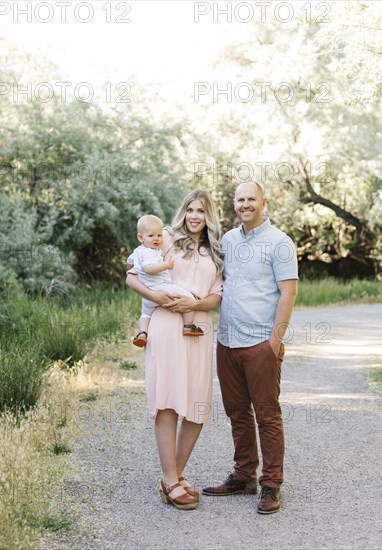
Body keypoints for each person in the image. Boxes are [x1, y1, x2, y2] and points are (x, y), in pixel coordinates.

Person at [202, 181, 298, 515]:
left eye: (251, 199)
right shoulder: (227, 239)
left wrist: (275, 340)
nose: (246, 204)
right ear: (234, 203)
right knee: (237, 413)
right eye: (240, 199)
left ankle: (271, 485)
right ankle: (244, 475)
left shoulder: (280, 242)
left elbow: (289, 292)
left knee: (267, 416)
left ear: (264, 202)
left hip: (260, 344)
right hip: (227, 342)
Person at [126, 189, 223, 510]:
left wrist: (194, 302)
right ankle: (170, 478)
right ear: (183, 211)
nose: (195, 216)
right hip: (167, 325)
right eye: (191, 209)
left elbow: (218, 296)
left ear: (210, 216)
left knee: (196, 406)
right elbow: (132, 276)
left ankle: (175, 475)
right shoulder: (165, 237)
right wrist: (158, 299)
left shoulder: (217, 250)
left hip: (199, 327)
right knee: (167, 400)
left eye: (202, 211)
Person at [127, 214, 204, 347]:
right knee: (189, 298)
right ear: (141, 237)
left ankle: (143, 333)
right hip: (161, 287)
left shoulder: (138, 251)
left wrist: (134, 267)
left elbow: (129, 263)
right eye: (151, 236)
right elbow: (148, 269)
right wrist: (166, 265)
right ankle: (188, 326)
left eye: (159, 235)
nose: (156, 239)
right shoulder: (150, 252)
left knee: (146, 313)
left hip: (147, 292)